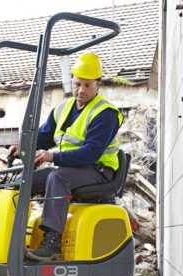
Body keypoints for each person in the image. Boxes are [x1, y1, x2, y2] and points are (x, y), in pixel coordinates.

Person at [9, 52, 123, 262]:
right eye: (78, 83)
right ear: (72, 80)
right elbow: (43, 137)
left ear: (98, 85)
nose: (81, 90)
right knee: (23, 181)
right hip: (70, 169)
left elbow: (90, 153)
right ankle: (12, 238)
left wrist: (52, 156)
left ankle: (52, 243)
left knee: (58, 177)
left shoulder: (105, 113)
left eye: (88, 85)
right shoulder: (63, 108)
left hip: (98, 171)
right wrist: (22, 147)